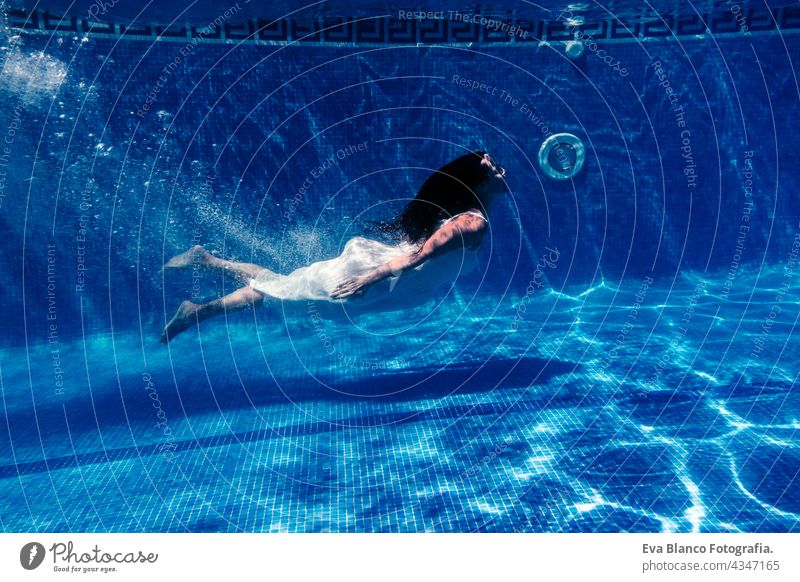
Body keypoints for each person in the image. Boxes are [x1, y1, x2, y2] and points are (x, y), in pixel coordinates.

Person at [160, 151, 508, 343]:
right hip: (374, 279)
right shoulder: (471, 223)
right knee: (279, 292)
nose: (502, 172)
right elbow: (418, 256)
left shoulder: (472, 215)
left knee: (283, 285)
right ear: (478, 181)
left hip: (392, 284)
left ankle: (207, 261)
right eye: (495, 169)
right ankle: (195, 310)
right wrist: (367, 280)